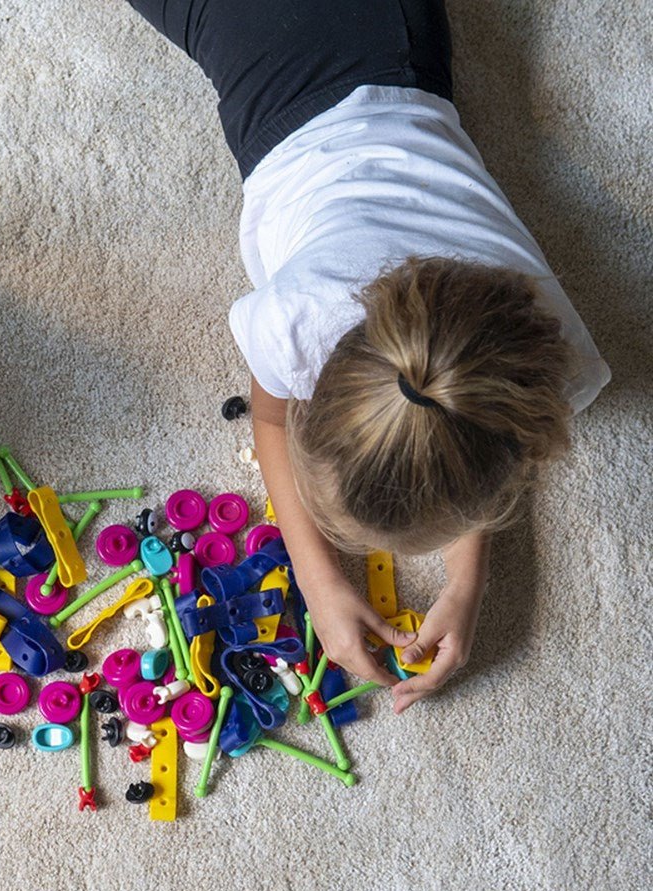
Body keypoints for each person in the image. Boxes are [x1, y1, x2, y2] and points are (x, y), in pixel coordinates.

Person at [124, 0, 610, 711]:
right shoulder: (293, 319)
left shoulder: (548, 345)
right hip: (273, 57)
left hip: (393, 41)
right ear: (314, 389)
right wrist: (320, 582)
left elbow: (481, 435)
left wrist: (465, 582)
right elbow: (270, 427)